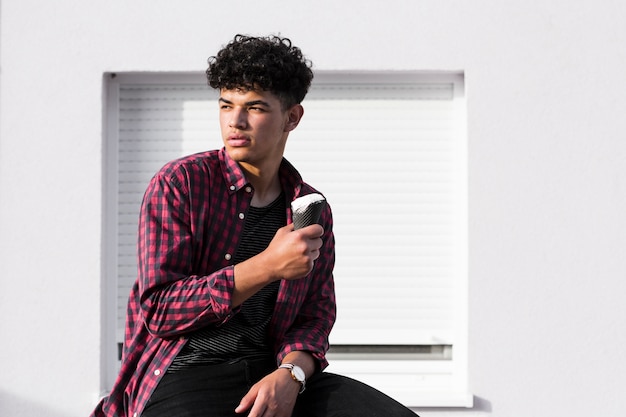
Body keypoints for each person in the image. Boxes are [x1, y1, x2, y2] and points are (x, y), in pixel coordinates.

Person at [92, 34, 417, 417]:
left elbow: (314, 317)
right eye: (226, 104)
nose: (235, 121)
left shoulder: (309, 208)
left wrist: (291, 374)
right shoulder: (180, 184)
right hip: (187, 371)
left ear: (291, 118)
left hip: (270, 372)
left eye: (255, 107)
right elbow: (160, 310)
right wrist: (267, 265)